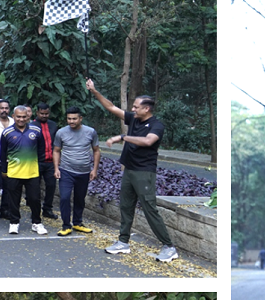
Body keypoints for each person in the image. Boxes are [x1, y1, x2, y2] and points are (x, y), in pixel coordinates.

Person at [85, 79, 178, 262]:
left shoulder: (156, 125)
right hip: (129, 170)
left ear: (146, 109)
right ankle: (123, 242)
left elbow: (148, 141)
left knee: (149, 208)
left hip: (144, 172)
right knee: (126, 206)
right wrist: (94, 91)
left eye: (136, 107)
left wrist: (123, 137)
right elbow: (111, 107)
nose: (133, 109)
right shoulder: (134, 119)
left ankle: (169, 247)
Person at [0, 106, 47, 235]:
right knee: (13, 200)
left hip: (32, 172)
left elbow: (41, 151)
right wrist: (4, 170)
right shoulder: (7, 133)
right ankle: (14, 223)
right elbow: (3, 153)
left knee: (34, 199)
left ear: (28, 117)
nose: (21, 119)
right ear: (13, 116)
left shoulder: (36, 131)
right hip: (14, 172)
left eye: (24, 117)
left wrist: (39, 166)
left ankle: (36, 223)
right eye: (18, 116)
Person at [53, 107, 99, 236]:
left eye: (74, 119)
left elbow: (96, 150)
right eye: (69, 119)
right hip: (66, 171)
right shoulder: (61, 132)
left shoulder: (90, 132)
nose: (71, 121)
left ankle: (78, 223)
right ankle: (66, 225)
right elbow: (56, 151)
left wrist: (94, 169)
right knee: (64, 197)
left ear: (80, 118)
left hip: (84, 172)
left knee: (80, 198)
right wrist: (56, 168)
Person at [34, 103, 60, 221]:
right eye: (42, 113)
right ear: (37, 113)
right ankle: (35, 210)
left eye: (46, 113)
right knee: (35, 187)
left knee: (51, 186)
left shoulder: (53, 125)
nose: (44, 116)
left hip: (51, 162)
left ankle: (47, 209)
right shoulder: (32, 126)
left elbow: (57, 143)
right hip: (36, 161)